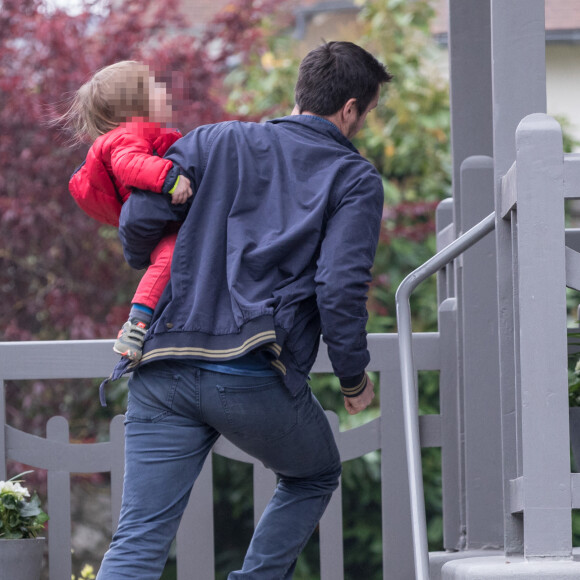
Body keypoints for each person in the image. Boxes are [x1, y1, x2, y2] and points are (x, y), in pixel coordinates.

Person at [97, 41, 392, 580]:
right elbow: (339, 286)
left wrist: (166, 259)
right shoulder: (353, 178)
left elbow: (139, 215)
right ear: (350, 108)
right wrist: (353, 380)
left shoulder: (214, 139)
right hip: (248, 370)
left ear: (300, 91)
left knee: (137, 542)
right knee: (314, 475)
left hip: (163, 363)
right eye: (366, 113)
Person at [59, 61, 193, 361]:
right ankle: (136, 325)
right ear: (136, 104)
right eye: (155, 86)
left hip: (163, 220)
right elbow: (129, 165)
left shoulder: (147, 135)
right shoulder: (125, 137)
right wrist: (169, 179)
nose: (164, 91)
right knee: (169, 258)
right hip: (159, 226)